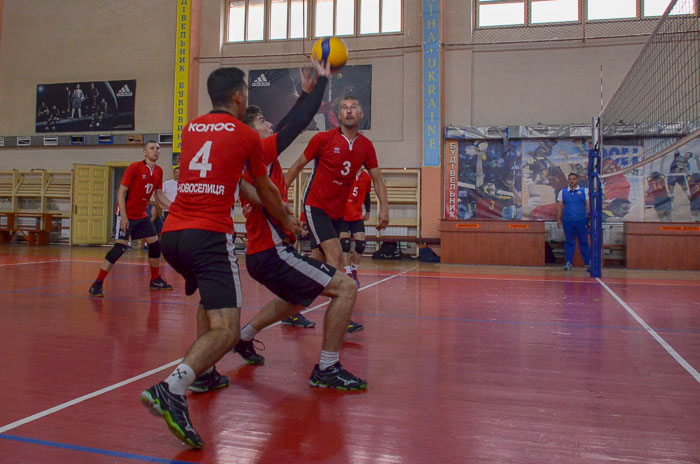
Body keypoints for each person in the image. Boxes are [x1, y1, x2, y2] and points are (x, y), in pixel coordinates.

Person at [139, 66, 300, 449]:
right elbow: (264, 190)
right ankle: (172, 388)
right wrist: (287, 219)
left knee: (213, 306)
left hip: (173, 234)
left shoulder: (190, 129)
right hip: (209, 235)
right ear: (241, 97)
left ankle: (206, 373)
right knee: (227, 328)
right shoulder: (246, 135)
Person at [226, 58, 369, 392]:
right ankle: (327, 368)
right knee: (345, 288)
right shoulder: (258, 149)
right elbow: (296, 125)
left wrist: (303, 96)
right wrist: (320, 82)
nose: (268, 123)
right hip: (271, 254)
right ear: (251, 131)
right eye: (261, 120)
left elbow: (289, 122)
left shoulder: (255, 155)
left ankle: (243, 337)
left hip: (265, 253)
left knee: (296, 299)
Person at [285, 95, 390, 334]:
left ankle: (290, 309)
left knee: (317, 265)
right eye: (344, 108)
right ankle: (341, 317)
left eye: (354, 107)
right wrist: (281, 200)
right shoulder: (322, 139)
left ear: (361, 114)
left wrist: (384, 206)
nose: (349, 111)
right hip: (316, 205)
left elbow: (377, 179)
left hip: (338, 211)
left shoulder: (366, 146)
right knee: (337, 256)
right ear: (338, 115)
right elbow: (296, 167)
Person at [88, 141, 173, 297]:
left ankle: (155, 279)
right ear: (144, 152)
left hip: (142, 215)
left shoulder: (159, 171)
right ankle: (97, 284)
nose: (156, 151)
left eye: (158, 149)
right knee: (119, 248)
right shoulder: (135, 167)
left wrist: (173, 206)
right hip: (126, 214)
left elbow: (159, 195)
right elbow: (121, 193)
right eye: (152, 148)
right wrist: (124, 217)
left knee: (155, 245)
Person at [338, 168, 372, 286]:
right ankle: (347, 272)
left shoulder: (366, 177)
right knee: (345, 244)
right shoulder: (345, 172)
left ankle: (354, 270)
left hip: (356, 216)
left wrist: (368, 211)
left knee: (361, 244)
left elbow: (367, 195)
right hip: (342, 214)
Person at [556, 173, 591, 270]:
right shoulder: (562, 192)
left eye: (574, 179)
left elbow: (588, 206)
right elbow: (559, 206)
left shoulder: (584, 191)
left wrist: (589, 218)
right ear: (568, 180)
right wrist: (558, 220)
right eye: (570, 179)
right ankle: (568, 263)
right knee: (569, 242)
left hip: (581, 221)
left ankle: (587, 263)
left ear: (577, 180)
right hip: (568, 221)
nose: (572, 181)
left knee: (584, 242)